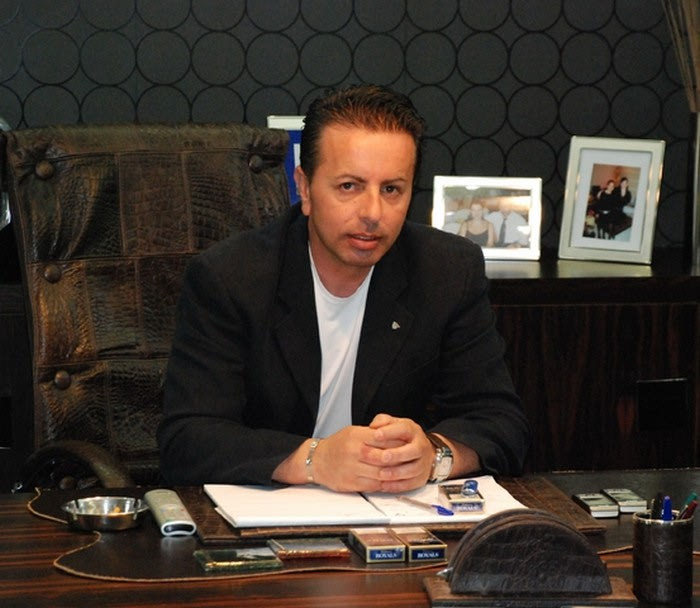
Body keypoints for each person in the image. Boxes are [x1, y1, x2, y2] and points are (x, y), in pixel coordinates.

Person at [158, 84, 530, 493]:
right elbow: (187, 440)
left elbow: (502, 424)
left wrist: (434, 456)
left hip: (395, 512)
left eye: (391, 189)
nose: (372, 213)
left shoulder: (447, 271)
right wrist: (315, 459)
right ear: (304, 188)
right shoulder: (230, 278)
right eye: (349, 186)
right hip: (271, 508)